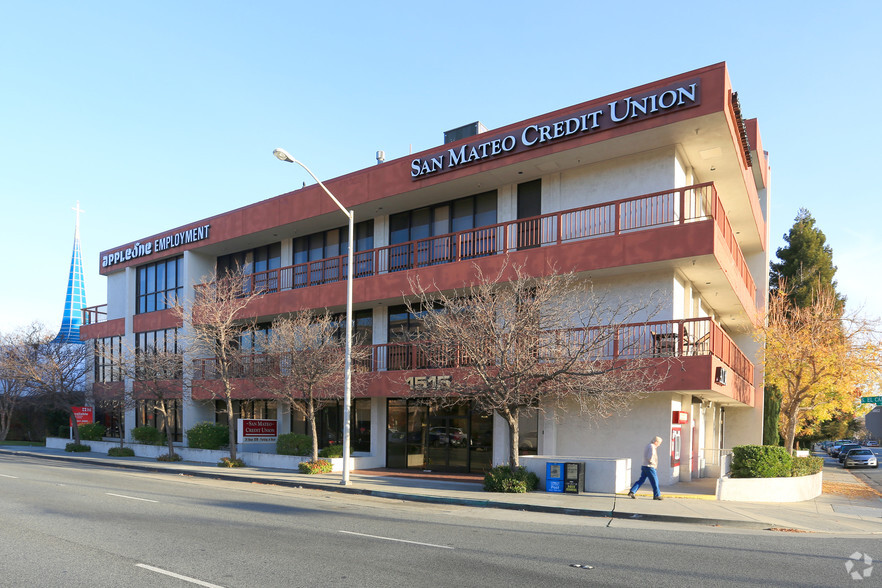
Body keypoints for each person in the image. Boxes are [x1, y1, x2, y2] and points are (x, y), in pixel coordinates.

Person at [628, 436, 663, 500]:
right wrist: (653, 463)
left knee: (641, 480)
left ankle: (632, 491)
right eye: (659, 443)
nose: (659, 445)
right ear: (656, 442)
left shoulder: (648, 445)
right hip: (650, 466)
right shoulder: (652, 447)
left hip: (644, 466)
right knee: (655, 481)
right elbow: (650, 457)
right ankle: (657, 495)